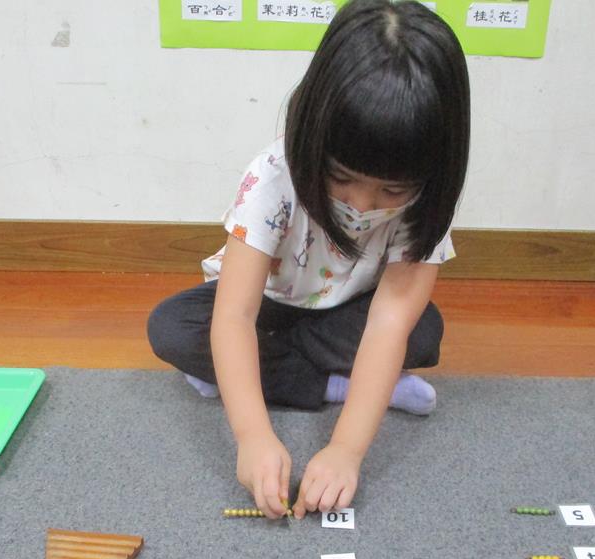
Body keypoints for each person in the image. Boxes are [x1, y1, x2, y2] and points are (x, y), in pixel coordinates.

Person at [147, 0, 470, 519]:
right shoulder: (274, 176)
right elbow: (235, 315)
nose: (362, 204)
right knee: (173, 327)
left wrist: (347, 450)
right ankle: (337, 383)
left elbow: (388, 323)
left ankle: (253, 374)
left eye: (392, 190)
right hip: (269, 304)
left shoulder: (429, 197)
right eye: (341, 177)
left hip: (348, 308)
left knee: (421, 332)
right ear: (311, 134)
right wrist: (252, 435)